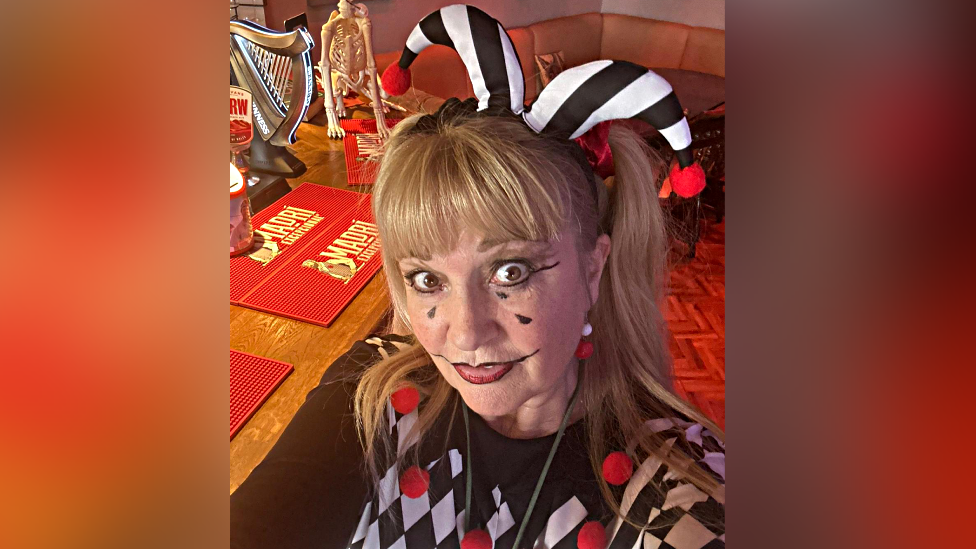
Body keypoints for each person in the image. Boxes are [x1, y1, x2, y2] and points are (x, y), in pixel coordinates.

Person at [231, 5, 723, 549]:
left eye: (509, 272)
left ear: (593, 267)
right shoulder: (374, 396)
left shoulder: (674, 499)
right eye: (426, 279)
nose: (465, 335)